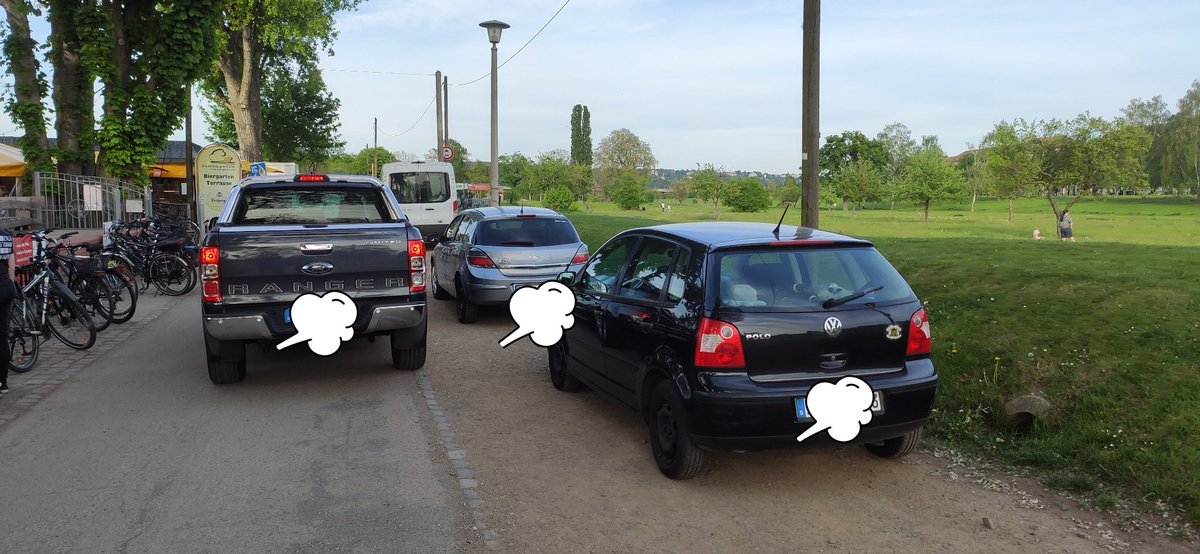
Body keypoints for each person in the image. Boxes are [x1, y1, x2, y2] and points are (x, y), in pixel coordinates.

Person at [0, 228, 15, 396]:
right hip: (6, 286)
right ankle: (2, 382)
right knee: (1, 337)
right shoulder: (5, 235)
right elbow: (11, 268)